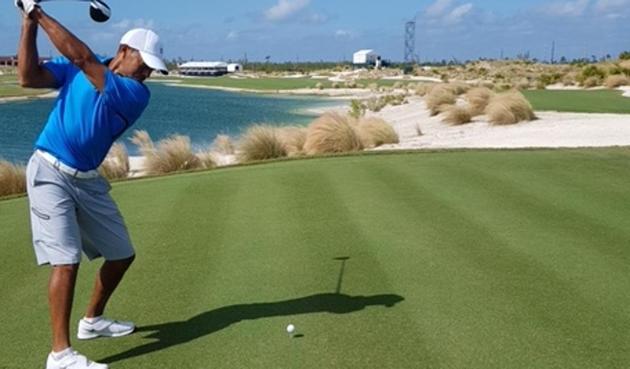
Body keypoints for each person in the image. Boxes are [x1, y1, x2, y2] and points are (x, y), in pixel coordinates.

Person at [15, 1, 168, 368]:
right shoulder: (86, 66)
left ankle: (92, 320)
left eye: (152, 67)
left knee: (121, 254)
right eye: (144, 63)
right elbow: (28, 77)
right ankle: (60, 355)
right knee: (65, 262)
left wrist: (38, 12)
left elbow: (83, 59)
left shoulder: (134, 93)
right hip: (49, 171)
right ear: (124, 51)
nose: (147, 72)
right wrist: (28, 23)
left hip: (87, 181)